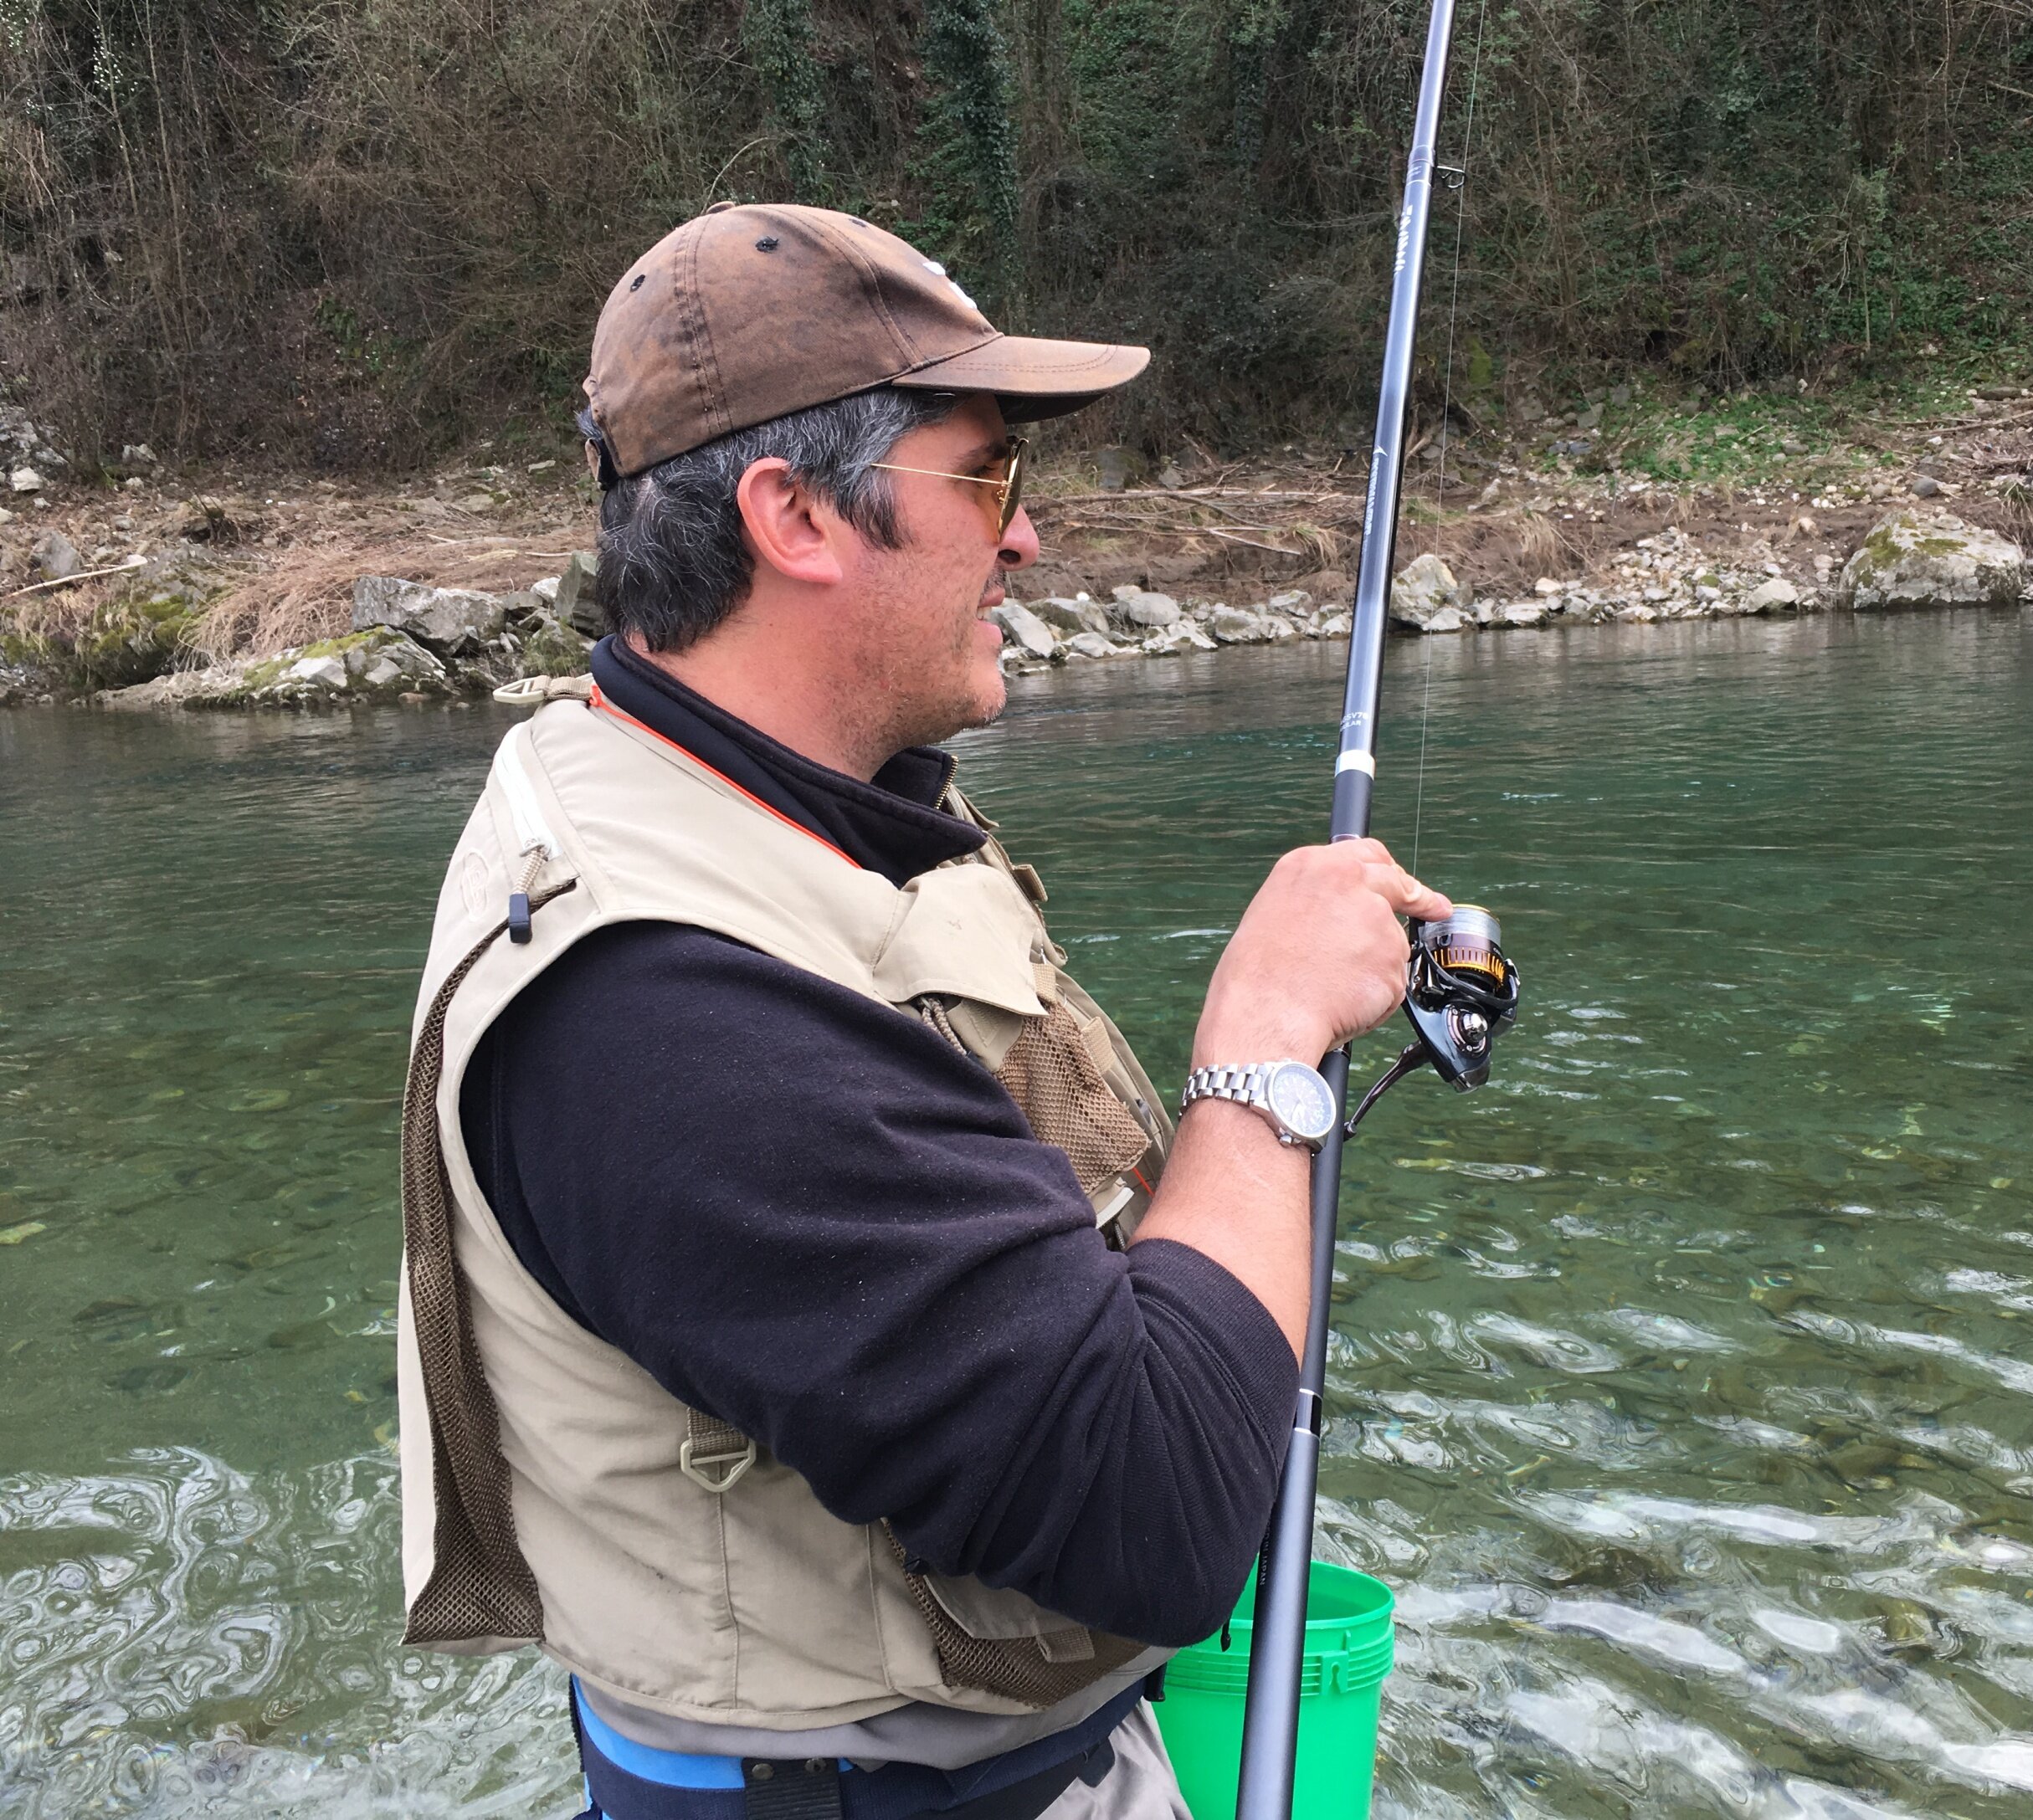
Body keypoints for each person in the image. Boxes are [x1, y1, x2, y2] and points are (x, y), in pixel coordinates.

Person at [394, 202, 1447, 1820]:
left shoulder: (747, 788)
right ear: (797, 515)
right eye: (989, 476)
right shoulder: (665, 1015)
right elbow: (1159, 1514)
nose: (1027, 539)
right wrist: (1263, 1047)